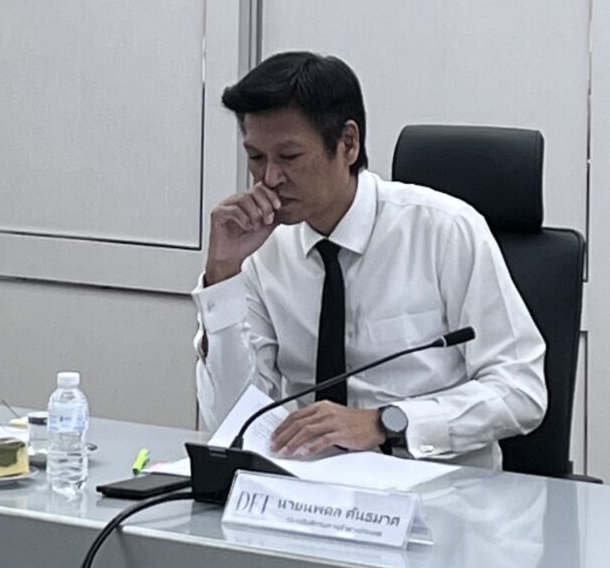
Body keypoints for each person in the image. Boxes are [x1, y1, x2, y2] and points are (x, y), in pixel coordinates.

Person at [191, 51, 546, 469]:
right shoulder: (260, 250)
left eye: (289, 157)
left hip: (439, 488)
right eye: (256, 157)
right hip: (309, 488)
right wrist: (223, 276)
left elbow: (521, 390)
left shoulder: (444, 230)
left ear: (348, 143)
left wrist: (387, 422)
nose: (269, 178)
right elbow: (232, 418)